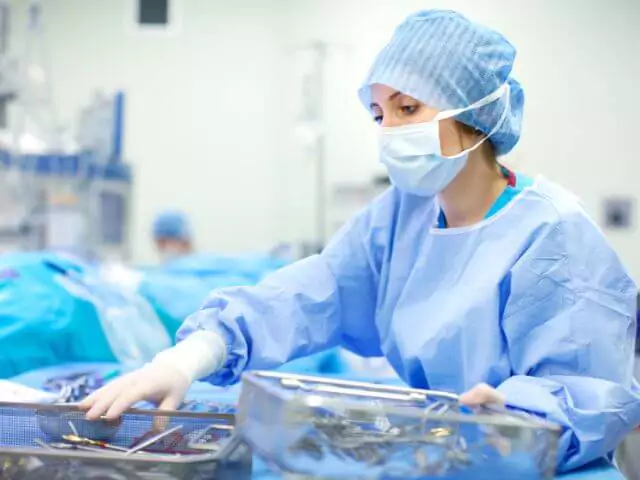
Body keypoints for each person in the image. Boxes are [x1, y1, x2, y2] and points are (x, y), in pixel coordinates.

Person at [82, 10, 640, 472]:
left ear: (476, 112)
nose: (389, 131)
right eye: (378, 113)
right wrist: (190, 357)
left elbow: (588, 389)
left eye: (408, 108)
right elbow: (311, 292)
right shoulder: (400, 218)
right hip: (446, 457)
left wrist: (518, 415)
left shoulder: (552, 234)